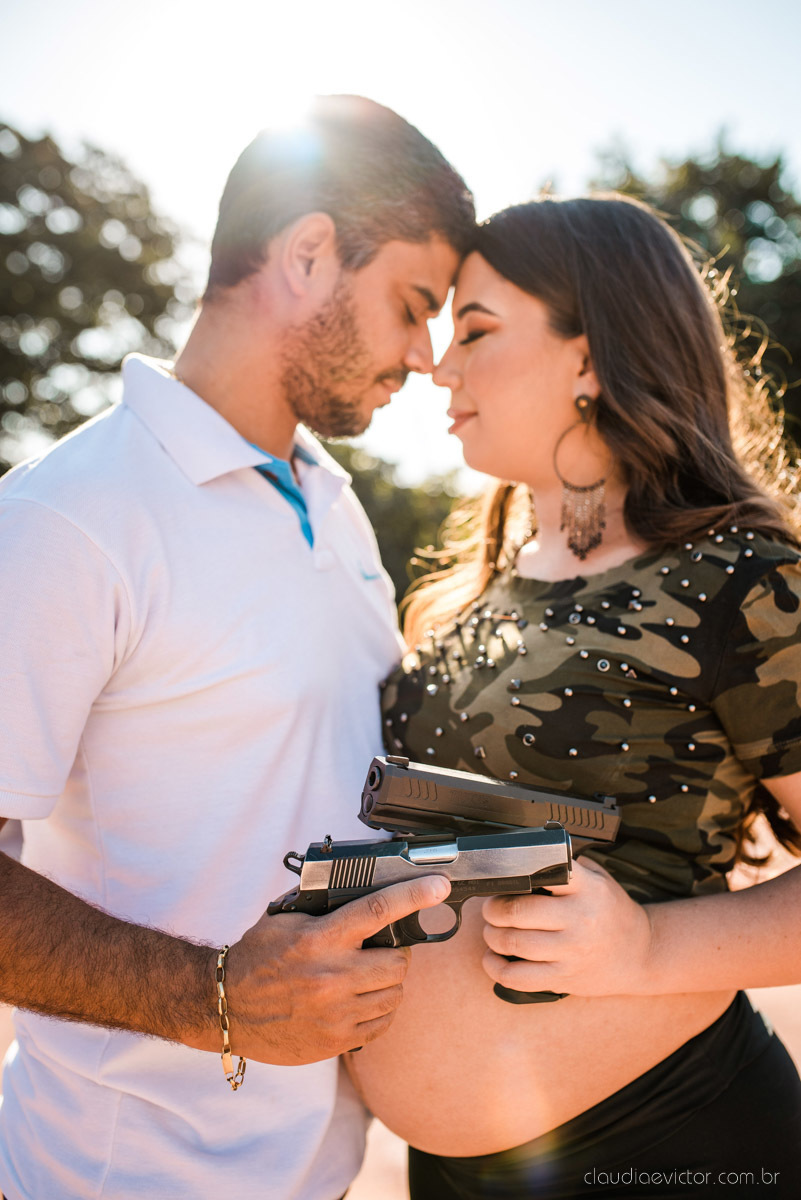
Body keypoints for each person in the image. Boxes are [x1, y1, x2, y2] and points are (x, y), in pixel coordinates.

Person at [0, 95, 474, 1200]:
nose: (425, 356)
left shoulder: (336, 508)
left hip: (320, 1176)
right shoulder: (65, 519)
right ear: (308, 254)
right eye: (413, 306)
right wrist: (212, 993)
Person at [346, 194, 801, 1198]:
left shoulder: (741, 582)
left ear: (589, 359)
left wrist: (647, 947)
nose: (440, 367)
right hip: (454, 1174)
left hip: (673, 1143)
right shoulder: (467, 593)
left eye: (475, 331)